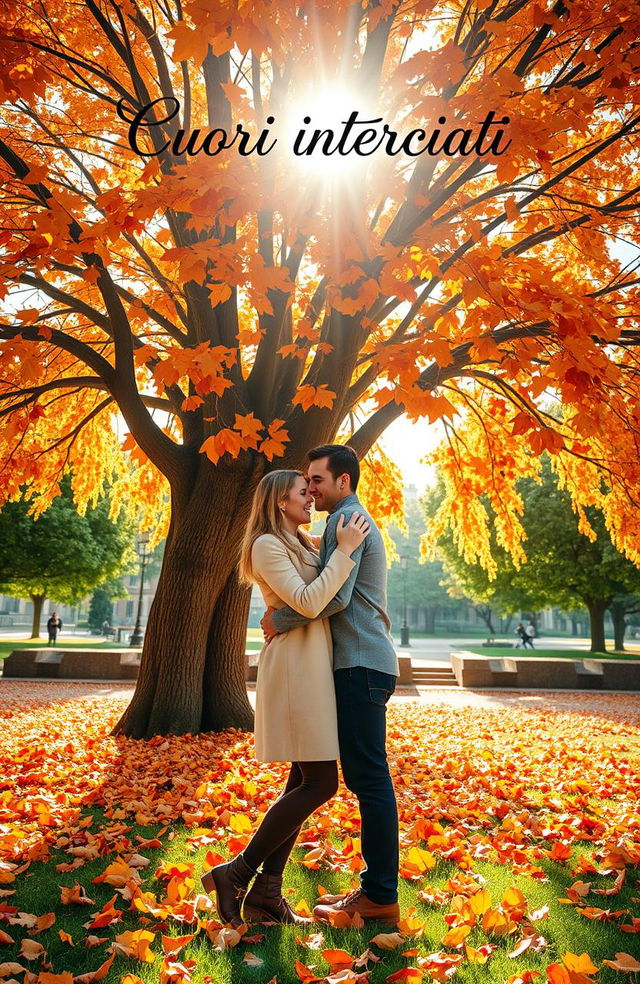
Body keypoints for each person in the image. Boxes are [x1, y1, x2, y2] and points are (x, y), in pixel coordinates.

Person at [201, 469, 370, 928]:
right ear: (280, 500)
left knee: (302, 782)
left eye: (312, 489)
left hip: (313, 665)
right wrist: (348, 551)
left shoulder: (304, 542)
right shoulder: (265, 545)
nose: (311, 497)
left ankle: (266, 894)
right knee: (321, 784)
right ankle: (235, 873)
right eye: (302, 491)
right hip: (295, 670)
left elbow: (321, 600)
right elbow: (309, 601)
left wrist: (339, 547)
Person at [261, 444, 401, 926]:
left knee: (369, 780)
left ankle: (380, 896)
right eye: (307, 481)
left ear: (343, 481)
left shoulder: (348, 523)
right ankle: (264, 889)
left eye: (317, 479)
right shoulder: (338, 524)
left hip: (361, 663)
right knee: (322, 778)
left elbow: (333, 599)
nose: (311, 488)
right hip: (357, 663)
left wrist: (279, 618)